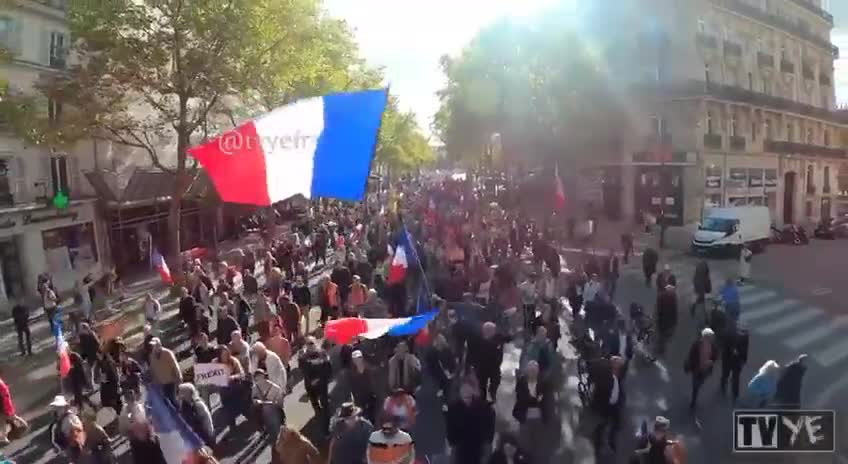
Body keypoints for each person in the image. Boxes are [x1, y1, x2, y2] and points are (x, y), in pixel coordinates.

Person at [446, 382, 496, 464]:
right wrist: (452, 441)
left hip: (478, 446)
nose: (466, 393)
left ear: (473, 391)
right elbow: (450, 428)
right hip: (460, 447)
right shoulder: (453, 408)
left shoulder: (483, 407)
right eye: (464, 390)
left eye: (468, 390)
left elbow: (489, 427)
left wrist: (487, 442)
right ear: (460, 392)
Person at [513, 361, 549, 463]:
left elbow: (546, 401)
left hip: (540, 419)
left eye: (534, 370)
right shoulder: (521, 383)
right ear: (527, 371)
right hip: (525, 418)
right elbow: (522, 399)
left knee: (539, 447)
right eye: (530, 370)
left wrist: (533, 401)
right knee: (525, 446)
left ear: (538, 371)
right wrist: (536, 400)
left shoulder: (543, 383)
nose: (532, 372)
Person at [592, 356, 626, 452]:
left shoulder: (619, 376)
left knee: (617, 424)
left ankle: (611, 440)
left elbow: (620, 389)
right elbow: (597, 395)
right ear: (613, 366)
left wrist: (621, 400)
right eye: (618, 365)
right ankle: (597, 445)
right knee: (601, 426)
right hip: (605, 407)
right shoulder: (605, 378)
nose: (620, 368)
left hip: (615, 406)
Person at [468, 322, 508, 402]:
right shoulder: (478, 340)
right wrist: (471, 364)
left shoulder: (498, 338)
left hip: (494, 365)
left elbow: (506, 339)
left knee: (496, 380)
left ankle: (492, 392)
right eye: (487, 330)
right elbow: (471, 352)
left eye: (492, 330)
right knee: (481, 383)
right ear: (483, 330)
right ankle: (483, 399)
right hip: (482, 366)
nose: (490, 332)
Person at [684, 328, 718, 411]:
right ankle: (693, 399)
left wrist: (712, 361)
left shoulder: (712, 345)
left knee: (700, 382)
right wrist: (692, 365)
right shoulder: (696, 344)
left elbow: (716, 355)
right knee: (695, 385)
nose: (711, 338)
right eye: (710, 336)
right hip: (697, 368)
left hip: (706, 369)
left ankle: (697, 388)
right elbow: (691, 355)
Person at [301, 336, 332, 427]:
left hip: (322, 383)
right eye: (308, 344)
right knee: (315, 404)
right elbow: (304, 370)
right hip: (310, 384)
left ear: (316, 343)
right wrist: (311, 380)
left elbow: (328, 368)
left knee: (325, 403)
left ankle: (327, 424)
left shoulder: (323, 353)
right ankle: (319, 417)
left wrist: (319, 379)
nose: (310, 346)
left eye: (312, 343)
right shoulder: (303, 357)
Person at [217, 346, 247, 430]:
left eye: (227, 354)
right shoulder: (215, 363)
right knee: (226, 398)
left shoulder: (234, 361)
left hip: (235, 384)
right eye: (223, 355)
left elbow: (242, 374)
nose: (225, 356)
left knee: (237, 393)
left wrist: (232, 377)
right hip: (224, 387)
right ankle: (231, 423)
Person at [252, 369, 286, 444]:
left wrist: (270, 403)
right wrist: (256, 401)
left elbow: (280, 403)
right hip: (263, 412)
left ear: (264, 376)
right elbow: (254, 398)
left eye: (260, 377)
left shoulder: (275, 388)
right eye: (257, 378)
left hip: (275, 411)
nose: (259, 380)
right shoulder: (255, 388)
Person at [177, 383, 215, 447]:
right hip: (192, 438)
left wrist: (210, 434)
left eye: (181, 392)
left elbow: (207, 420)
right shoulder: (184, 406)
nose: (179, 395)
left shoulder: (198, 404)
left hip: (203, 437)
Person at [148, 338, 182, 407]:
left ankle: (182, 414)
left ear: (159, 345)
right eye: (153, 346)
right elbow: (153, 370)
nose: (154, 347)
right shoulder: (152, 356)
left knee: (174, 400)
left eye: (155, 345)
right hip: (162, 384)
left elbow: (175, 366)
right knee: (166, 403)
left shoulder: (167, 353)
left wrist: (179, 377)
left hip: (172, 381)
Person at [720, 325, 749, 402]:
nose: (743, 333)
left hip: (737, 361)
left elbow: (745, 349)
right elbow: (725, 346)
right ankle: (723, 385)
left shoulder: (745, 337)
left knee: (736, 378)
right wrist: (732, 350)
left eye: (745, 331)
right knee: (725, 374)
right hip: (728, 359)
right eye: (742, 331)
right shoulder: (730, 335)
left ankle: (735, 394)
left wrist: (743, 360)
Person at [348, 350, 378, 421]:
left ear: (362, 358)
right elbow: (352, 387)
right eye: (355, 359)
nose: (357, 360)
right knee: (362, 417)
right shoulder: (352, 373)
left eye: (359, 358)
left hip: (370, 397)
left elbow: (373, 384)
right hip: (359, 398)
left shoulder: (369, 369)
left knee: (371, 417)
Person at [0, 374, 27, 445]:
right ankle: (4, 437)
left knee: (4, 420)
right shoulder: (1, 383)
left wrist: (6, 408)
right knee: (10, 418)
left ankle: (3, 437)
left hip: (3, 405)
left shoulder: (0, 384)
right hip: (4, 404)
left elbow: (4, 396)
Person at [654, 285, 678, 356]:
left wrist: (657, 318)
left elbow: (658, 309)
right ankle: (661, 348)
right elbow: (674, 311)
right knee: (664, 335)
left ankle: (660, 348)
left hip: (663, 320)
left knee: (662, 335)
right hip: (667, 320)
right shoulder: (673, 298)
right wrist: (674, 321)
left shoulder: (661, 297)